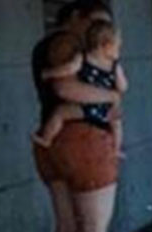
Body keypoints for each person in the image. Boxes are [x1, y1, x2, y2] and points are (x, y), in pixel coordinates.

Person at [30, 0, 134, 232]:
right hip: (84, 141)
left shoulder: (47, 46)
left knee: (68, 228)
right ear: (76, 17)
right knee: (93, 231)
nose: (98, 32)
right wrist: (111, 96)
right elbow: (65, 87)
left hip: (55, 144)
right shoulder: (67, 44)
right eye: (95, 23)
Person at [33, 19, 127, 156]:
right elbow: (123, 86)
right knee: (117, 124)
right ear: (105, 45)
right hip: (105, 110)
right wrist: (116, 90)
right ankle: (116, 149)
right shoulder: (114, 66)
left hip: (86, 108)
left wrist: (49, 73)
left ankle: (46, 138)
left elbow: (68, 69)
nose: (119, 50)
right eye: (118, 46)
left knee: (60, 113)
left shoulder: (82, 58)